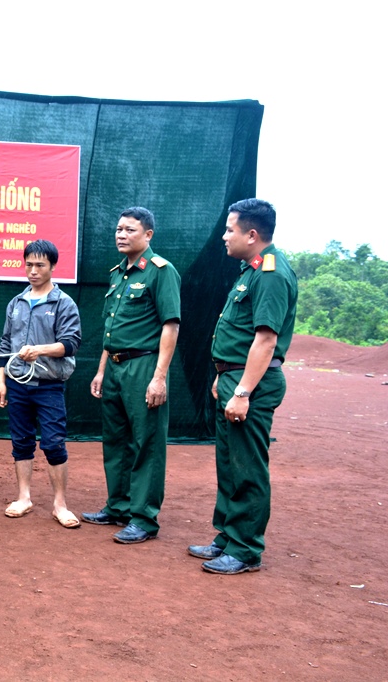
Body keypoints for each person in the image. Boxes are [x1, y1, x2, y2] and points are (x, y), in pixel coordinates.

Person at [189, 199, 297, 575]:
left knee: (247, 466)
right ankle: (228, 536)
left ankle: (247, 549)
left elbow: (265, 340)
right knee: (229, 463)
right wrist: (225, 374)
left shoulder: (269, 273)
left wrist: (243, 391)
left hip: (253, 384)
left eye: (230, 229)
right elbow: (240, 335)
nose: (224, 236)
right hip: (235, 376)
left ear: (252, 235)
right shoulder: (250, 270)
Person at [84, 207, 181, 543]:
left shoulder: (160, 271)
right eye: (118, 229)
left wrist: (159, 377)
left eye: (129, 230)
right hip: (114, 366)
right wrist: (100, 371)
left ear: (148, 235)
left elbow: (171, 325)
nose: (121, 234)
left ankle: (143, 518)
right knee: (116, 441)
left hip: (144, 366)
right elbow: (112, 329)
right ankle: (118, 506)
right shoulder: (117, 274)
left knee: (146, 443)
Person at [0, 240, 82, 527]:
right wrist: (2, 381)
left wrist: (39, 349)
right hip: (17, 384)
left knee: (54, 443)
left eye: (40, 265)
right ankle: (23, 498)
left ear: (52, 267)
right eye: (29, 264)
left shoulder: (64, 303)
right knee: (21, 442)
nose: (33, 271)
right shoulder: (16, 303)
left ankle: (60, 504)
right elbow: (5, 344)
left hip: (49, 385)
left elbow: (70, 344)